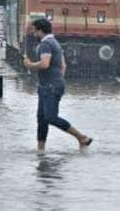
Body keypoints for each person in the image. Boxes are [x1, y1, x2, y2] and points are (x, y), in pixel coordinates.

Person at [23, 18, 93, 154]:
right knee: (42, 119)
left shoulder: (46, 44)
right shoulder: (55, 42)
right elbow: (63, 66)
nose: (33, 34)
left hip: (50, 86)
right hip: (49, 85)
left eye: (35, 31)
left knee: (50, 117)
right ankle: (41, 151)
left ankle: (82, 137)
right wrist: (57, 79)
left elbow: (44, 64)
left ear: (41, 31)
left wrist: (30, 65)